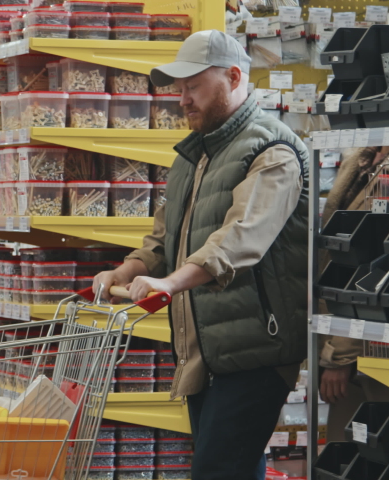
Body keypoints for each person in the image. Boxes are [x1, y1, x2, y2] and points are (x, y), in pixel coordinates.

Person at [93, 30, 308, 480]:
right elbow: (162, 241)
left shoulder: (274, 150)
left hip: (257, 350)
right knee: (232, 468)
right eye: (178, 88)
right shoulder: (194, 156)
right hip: (205, 350)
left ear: (233, 77)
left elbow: (240, 239)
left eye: (192, 86)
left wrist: (169, 283)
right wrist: (127, 269)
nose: (182, 99)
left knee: (216, 471)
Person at [318, 145, 389, 439]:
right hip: (347, 334)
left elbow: (381, 267)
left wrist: (340, 353)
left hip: (379, 347)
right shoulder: (360, 160)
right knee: (349, 452)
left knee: (378, 449)